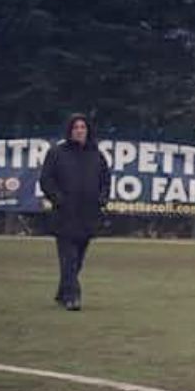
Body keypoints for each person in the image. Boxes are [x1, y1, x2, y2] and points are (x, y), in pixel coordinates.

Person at [40, 113, 111, 311]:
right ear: (69, 131)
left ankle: (63, 292)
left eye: (83, 127)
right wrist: (58, 199)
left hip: (88, 215)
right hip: (65, 215)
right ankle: (73, 297)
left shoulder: (97, 155)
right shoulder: (56, 153)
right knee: (68, 258)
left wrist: (102, 199)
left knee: (78, 259)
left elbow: (106, 180)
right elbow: (46, 180)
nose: (80, 131)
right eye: (76, 127)